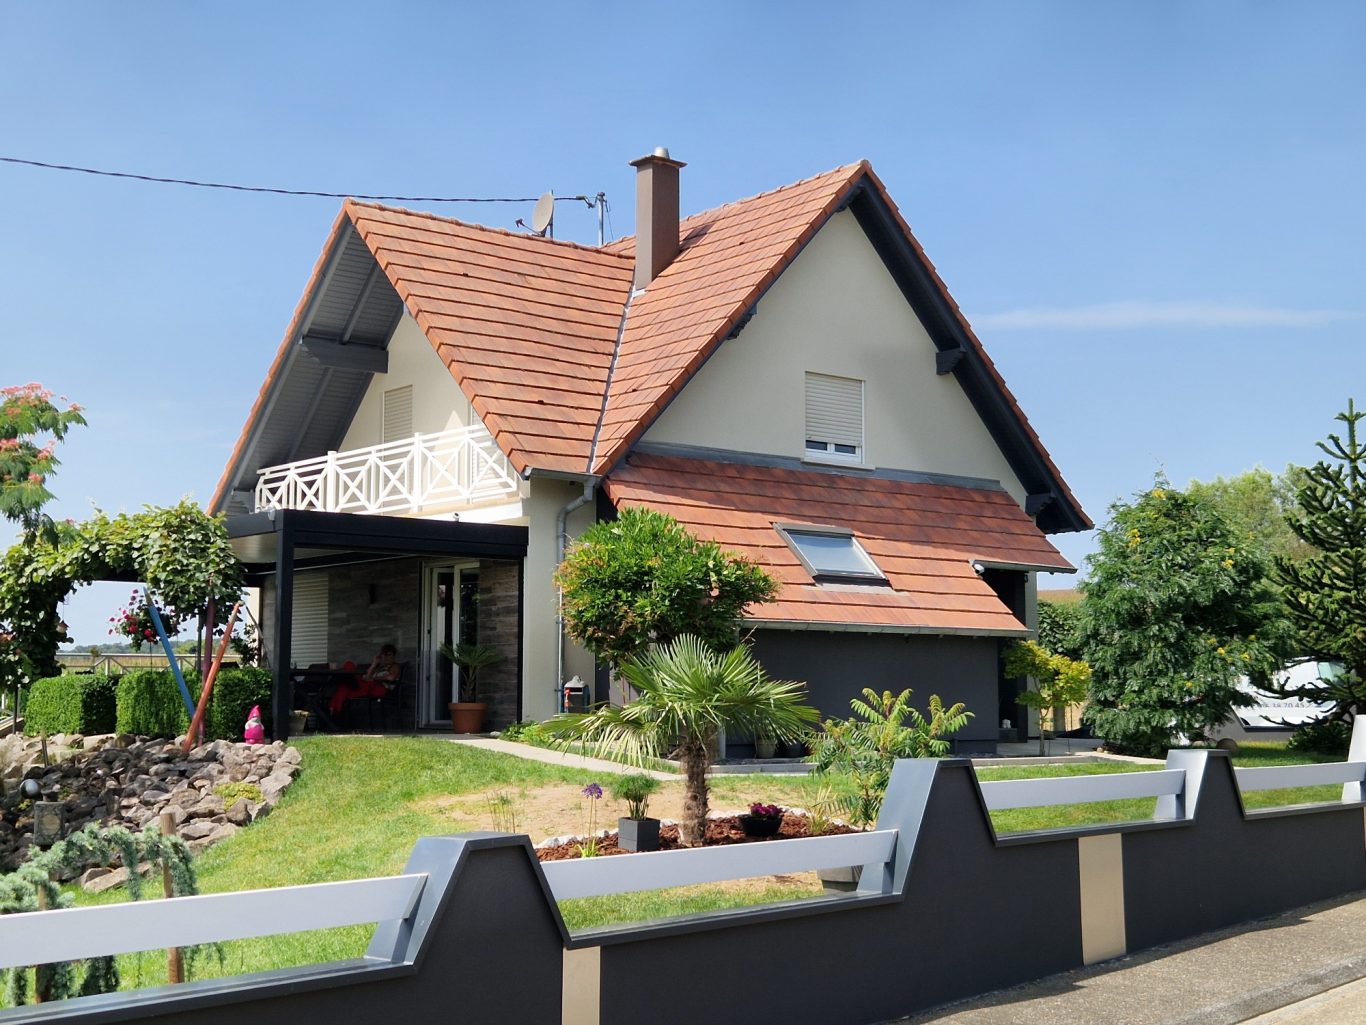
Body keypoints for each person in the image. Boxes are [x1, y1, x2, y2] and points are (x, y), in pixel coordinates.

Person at [329, 644, 400, 715]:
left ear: (393, 656)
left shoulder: (394, 666)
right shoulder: (380, 667)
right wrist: (374, 664)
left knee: (348, 668)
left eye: (389, 655)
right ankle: (333, 710)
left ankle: (339, 680)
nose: (386, 657)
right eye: (384, 655)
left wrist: (374, 679)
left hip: (379, 688)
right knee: (344, 687)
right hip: (366, 686)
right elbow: (367, 676)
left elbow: (391, 677)